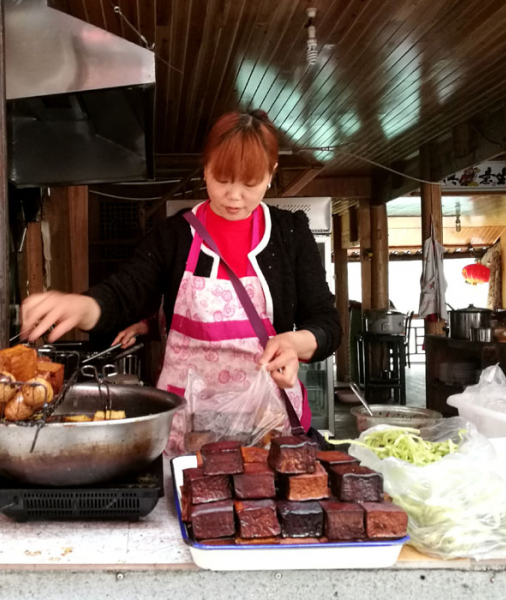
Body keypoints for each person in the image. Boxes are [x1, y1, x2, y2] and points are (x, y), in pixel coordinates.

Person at [22, 110, 342, 449]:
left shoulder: (290, 235)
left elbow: (327, 323)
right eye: (222, 179)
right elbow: (125, 292)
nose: (234, 196)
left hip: (265, 420)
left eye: (250, 183)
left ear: (270, 174)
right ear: (205, 168)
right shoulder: (174, 236)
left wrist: (295, 343)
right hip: (189, 424)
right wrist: (85, 304)